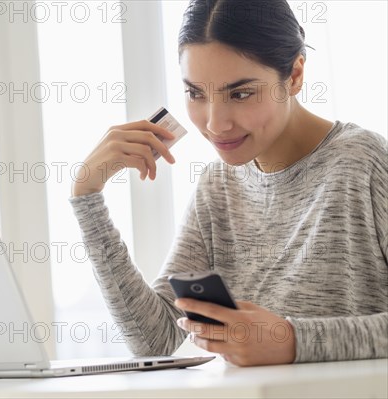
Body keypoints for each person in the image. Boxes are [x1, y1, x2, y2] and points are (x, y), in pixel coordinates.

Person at [68, 0, 387, 366]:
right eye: (196, 94)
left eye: (240, 93)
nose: (216, 124)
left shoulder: (363, 162)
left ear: (295, 75)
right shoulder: (218, 186)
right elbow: (154, 339)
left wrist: (292, 342)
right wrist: (87, 195)